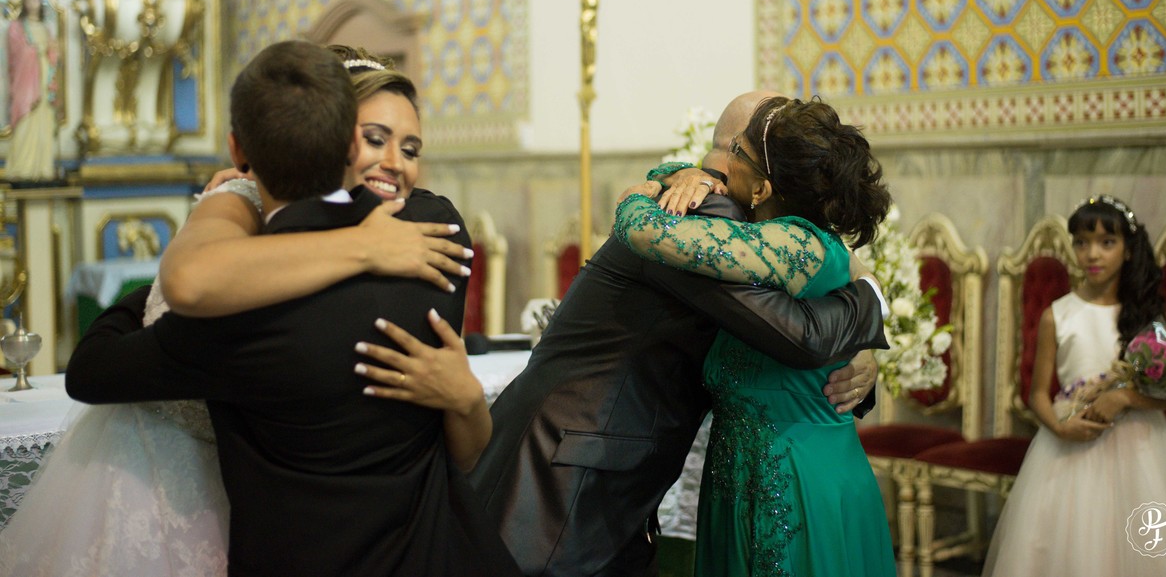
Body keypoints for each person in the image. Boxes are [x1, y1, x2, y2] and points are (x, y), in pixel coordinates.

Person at [360, 89, 890, 577]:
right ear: (735, 158)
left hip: (620, 465)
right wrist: (871, 305)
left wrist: (865, 350)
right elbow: (798, 337)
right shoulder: (701, 213)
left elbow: (793, 328)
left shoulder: (756, 230)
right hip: (565, 473)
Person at [60, 41, 518, 576]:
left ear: (239, 151)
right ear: (345, 149)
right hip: (446, 553)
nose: (394, 163)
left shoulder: (232, 315)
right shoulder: (435, 233)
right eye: (376, 139)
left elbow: (91, 370)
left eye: (409, 147)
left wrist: (224, 214)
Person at [612, 95, 896, 576]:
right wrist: (677, 175)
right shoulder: (782, 234)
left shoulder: (788, 244)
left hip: (796, 484)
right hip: (745, 476)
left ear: (762, 187)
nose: (721, 167)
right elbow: (860, 279)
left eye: (734, 155)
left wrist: (638, 194)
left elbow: (641, 233)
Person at [982, 195, 1166, 577]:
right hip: (1069, 446)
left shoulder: (1148, 318)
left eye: (1106, 242)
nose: (1092, 254)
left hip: (1140, 452)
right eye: (1082, 242)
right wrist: (1060, 426)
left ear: (1128, 250)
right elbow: (1036, 395)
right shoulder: (1058, 314)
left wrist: (1125, 396)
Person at [6, 0, 61, 182]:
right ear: (24, 3)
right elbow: (16, 53)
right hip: (26, 79)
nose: (32, 3)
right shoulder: (16, 27)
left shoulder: (46, 28)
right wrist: (35, 50)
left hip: (44, 76)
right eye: (28, 0)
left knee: (43, 117)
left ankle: (42, 166)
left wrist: (52, 49)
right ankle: (22, 166)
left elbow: (52, 56)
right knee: (25, 116)